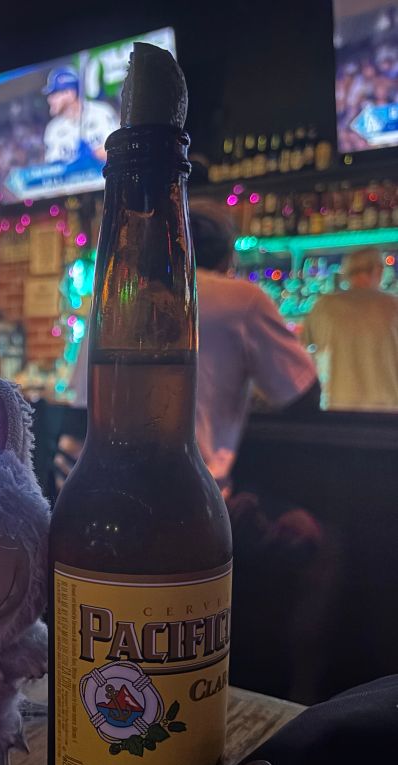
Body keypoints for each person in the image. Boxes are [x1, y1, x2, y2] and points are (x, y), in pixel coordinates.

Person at [62, 198, 319, 493]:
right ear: (227, 260)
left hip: (83, 492)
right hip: (184, 501)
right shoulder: (242, 299)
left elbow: (79, 406)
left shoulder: (114, 297)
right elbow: (303, 394)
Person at [302, 248, 398, 411]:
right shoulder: (393, 306)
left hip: (339, 410)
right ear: (377, 270)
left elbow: (300, 354)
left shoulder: (325, 306)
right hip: (388, 412)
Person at [41, 66, 120, 166]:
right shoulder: (53, 129)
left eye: (54, 94)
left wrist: (93, 155)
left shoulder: (102, 112)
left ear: (70, 93)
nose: (50, 99)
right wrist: (76, 162)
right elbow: (54, 168)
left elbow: (118, 150)